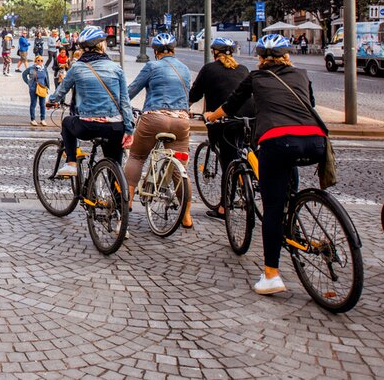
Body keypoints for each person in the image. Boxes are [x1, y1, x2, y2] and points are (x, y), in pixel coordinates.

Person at [205, 34, 327, 297]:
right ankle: (293, 211)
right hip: (316, 141)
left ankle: (271, 274)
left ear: (260, 58)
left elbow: (231, 104)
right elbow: (310, 105)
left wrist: (211, 116)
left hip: (277, 140)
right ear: (287, 56)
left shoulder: (257, 77)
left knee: (272, 206)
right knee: (287, 187)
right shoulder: (302, 74)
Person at [46, 26, 135, 176]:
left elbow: (61, 91)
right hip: (115, 127)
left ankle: (71, 163)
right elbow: (125, 102)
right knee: (115, 166)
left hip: (87, 126)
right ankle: (119, 196)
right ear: (102, 45)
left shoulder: (77, 68)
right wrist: (129, 130)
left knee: (67, 122)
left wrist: (52, 101)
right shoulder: (116, 68)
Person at [126, 33, 194, 229]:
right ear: (174, 50)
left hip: (154, 118)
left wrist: (119, 107)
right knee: (179, 169)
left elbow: (132, 90)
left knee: (137, 157)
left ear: (155, 52)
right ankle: (186, 215)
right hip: (181, 121)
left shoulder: (152, 66)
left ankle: (127, 202)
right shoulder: (185, 69)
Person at [189, 37, 254, 219]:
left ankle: (224, 207)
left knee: (228, 162)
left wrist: (185, 106)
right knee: (246, 151)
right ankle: (249, 182)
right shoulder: (243, 69)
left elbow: (194, 94)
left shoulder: (209, 69)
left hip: (225, 122)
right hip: (250, 120)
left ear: (214, 53)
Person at [23, 55, 51, 126]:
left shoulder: (44, 68)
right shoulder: (31, 68)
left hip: (42, 88)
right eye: (38, 60)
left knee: (42, 104)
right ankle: (33, 119)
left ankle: (43, 119)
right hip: (33, 88)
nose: (40, 62)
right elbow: (24, 74)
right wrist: (29, 83)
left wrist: (47, 86)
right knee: (33, 104)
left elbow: (47, 77)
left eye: (42, 60)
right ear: (35, 61)